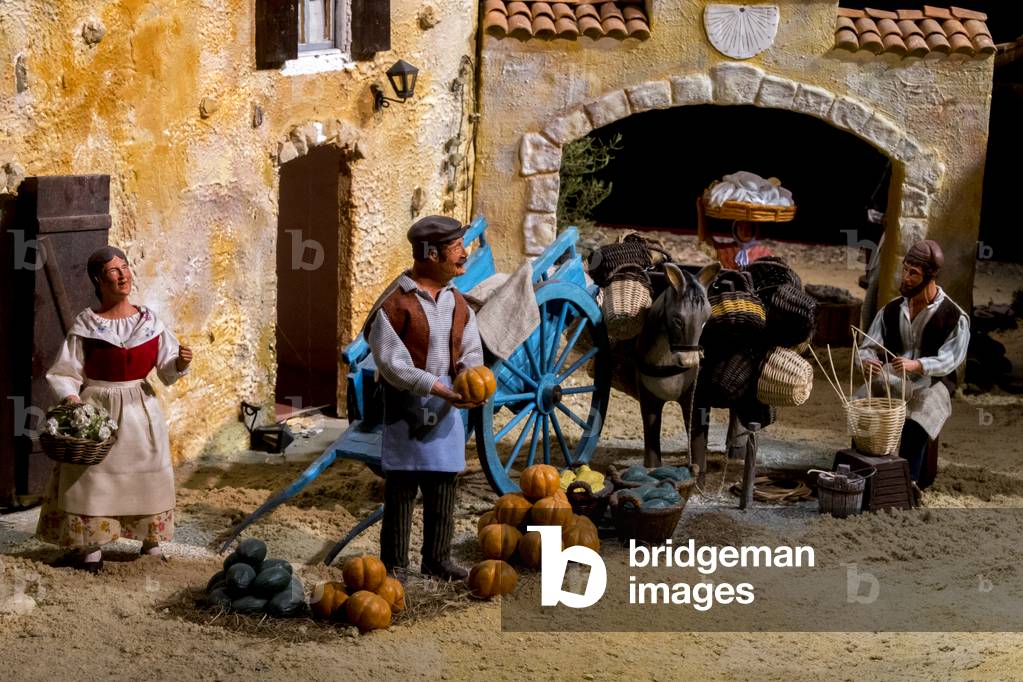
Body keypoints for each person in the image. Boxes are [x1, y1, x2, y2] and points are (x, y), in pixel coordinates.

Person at [36, 246, 192, 572]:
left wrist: (179, 362)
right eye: (113, 271)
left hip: (141, 409)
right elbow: (65, 372)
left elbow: (166, 370)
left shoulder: (149, 322)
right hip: (99, 409)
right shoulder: (87, 325)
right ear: (98, 279)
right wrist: (73, 400)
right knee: (92, 477)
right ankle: (91, 548)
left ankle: (150, 544)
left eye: (125, 267)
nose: (122, 275)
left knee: (148, 473)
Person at [364, 215, 485, 581]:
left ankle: (437, 559)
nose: (464, 254)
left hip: (446, 408)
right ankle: (395, 565)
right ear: (431, 254)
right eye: (456, 249)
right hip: (406, 406)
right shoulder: (396, 305)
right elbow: (392, 364)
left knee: (443, 483)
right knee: (402, 488)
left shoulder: (456, 301)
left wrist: (467, 374)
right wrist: (435, 386)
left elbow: (471, 347)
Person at [858, 239, 969, 493]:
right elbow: (867, 346)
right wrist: (867, 362)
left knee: (918, 419)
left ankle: (909, 482)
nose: (905, 278)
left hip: (933, 383)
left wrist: (917, 364)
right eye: (905, 270)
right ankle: (864, 470)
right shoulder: (890, 310)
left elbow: (950, 359)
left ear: (930, 277)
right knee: (865, 405)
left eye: (913, 273)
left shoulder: (954, 316)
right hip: (893, 379)